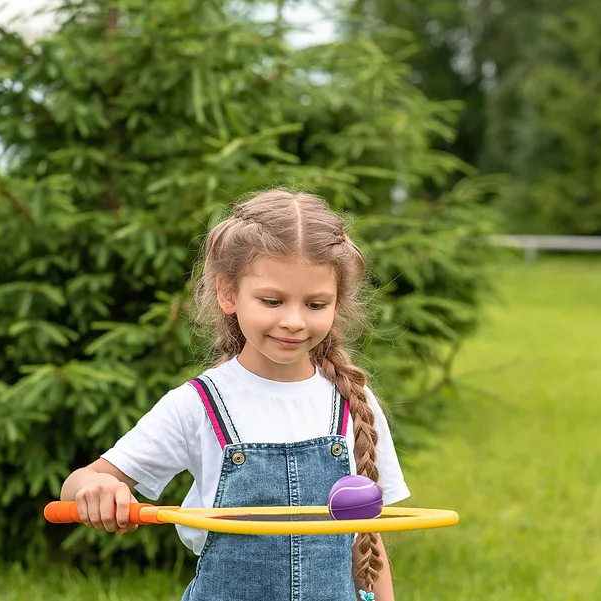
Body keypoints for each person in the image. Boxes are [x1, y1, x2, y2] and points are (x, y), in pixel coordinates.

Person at [59, 189, 410, 601]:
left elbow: (368, 540)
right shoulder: (197, 404)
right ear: (228, 293)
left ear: (337, 303)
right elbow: (79, 482)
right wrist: (98, 489)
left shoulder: (353, 402)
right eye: (272, 300)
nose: (294, 321)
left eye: (315, 304)